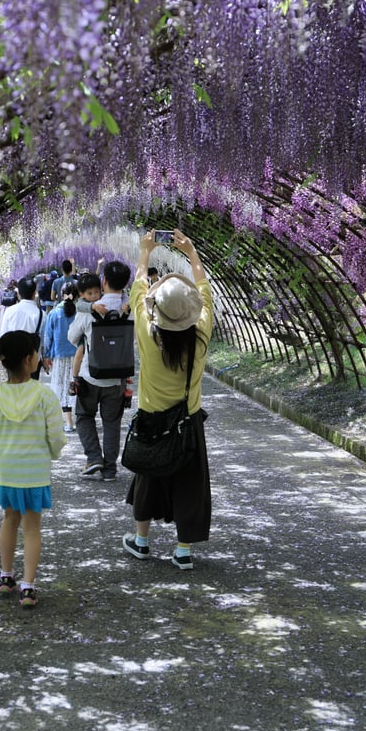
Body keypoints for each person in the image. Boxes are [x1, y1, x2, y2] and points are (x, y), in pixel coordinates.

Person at [122, 229, 213, 571]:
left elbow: (138, 289)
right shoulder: (201, 335)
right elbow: (204, 292)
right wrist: (191, 252)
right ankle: (183, 550)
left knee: (149, 476)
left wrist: (146, 252)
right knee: (189, 483)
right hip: (186, 421)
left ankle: (141, 541)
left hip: (151, 419)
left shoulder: (148, 335)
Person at [0, 330, 66, 607]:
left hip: (7, 470)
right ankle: (27, 588)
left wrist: (1, 454)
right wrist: (52, 455)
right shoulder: (45, 396)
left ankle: (6, 577)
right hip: (34, 471)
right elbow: (55, 436)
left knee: (9, 520)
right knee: (32, 527)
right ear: (29, 359)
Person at [68, 262, 132, 482]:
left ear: (103, 281)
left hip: (90, 376)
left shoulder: (91, 308)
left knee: (84, 416)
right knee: (112, 423)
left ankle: (94, 457)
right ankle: (110, 469)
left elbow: (72, 337)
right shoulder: (130, 311)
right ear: (127, 283)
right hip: (117, 379)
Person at [44, 281, 79, 432]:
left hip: (59, 356)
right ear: (77, 296)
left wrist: (46, 355)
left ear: (60, 295)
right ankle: (71, 421)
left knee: (61, 387)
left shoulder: (54, 313)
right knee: (73, 386)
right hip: (78, 357)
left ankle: (67, 422)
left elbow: (47, 337)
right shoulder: (80, 313)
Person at [0, 275, 46, 377]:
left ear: (19, 294)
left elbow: (3, 336)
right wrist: (44, 358)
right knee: (31, 391)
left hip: (13, 359)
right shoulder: (42, 314)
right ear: (35, 294)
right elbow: (43, 341)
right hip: (32, 361)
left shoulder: (10, 311)